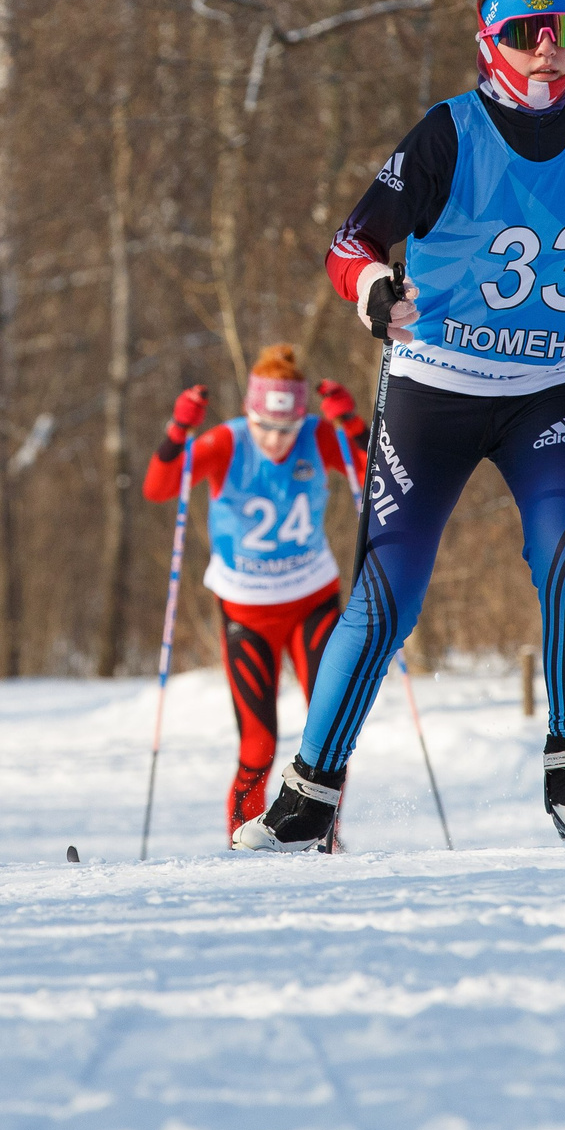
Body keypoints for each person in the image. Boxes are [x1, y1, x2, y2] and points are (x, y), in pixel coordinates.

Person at [233, 0, 565, 852]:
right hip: (432, 391)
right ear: (490, 44)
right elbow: (350, 240)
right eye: (528, 34)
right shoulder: (449, 132)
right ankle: (308, 797)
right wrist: (374, 287)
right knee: (388, 591)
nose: (549, 51)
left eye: (564, 30)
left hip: (548, 391)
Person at [148, 344, 369, 840]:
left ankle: (322, 834)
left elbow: (372, 468)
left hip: (312, 600)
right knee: (257, 744)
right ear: (249, 415)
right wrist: (178, 430)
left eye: (287, 429)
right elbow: (160, 487)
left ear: (302, 420)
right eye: (264, 426)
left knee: (330, 732)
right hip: (247, 610)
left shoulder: (317, 436)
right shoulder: (227, 442)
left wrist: (351, 422)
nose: (274, 440)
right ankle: (244, 838)